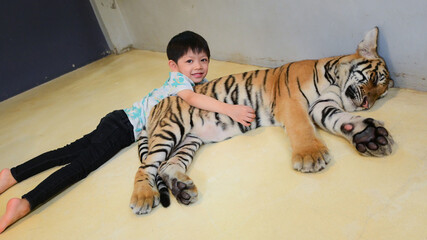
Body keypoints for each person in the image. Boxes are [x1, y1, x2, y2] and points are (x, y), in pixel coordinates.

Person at [0, 31, 256, 233]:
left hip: (118, 119)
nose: (198, 66)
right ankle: (26, 201)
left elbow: (206, 95)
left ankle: (11, 174)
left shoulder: (197, 82)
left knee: (66, 152)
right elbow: (194, 100)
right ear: (174, 66)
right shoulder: (181, 82)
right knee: (80, 165)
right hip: (123, 128)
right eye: (189, 61)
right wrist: (231, 110)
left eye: (203, 60)